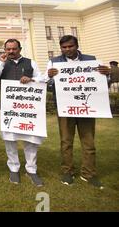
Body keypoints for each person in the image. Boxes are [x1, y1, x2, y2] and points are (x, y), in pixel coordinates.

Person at [47, 35, 110, 189]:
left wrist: (106, 74)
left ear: (77, 46)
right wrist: (50, 78)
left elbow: (103, 83)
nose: (67, 50)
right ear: (61, 48)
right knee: (66, 142)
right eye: (64, 47)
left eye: (70, 46)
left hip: (86, 107)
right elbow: (48, 86)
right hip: (65, 108)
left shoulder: (92, 60)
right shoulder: (54, 62)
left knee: (88, 142)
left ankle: (88, 173)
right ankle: (67, 172)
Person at [0, 39, 45, 187]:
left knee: (31, 139)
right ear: (5, 50)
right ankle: (13, 168)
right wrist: (1, 63)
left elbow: (42, 78)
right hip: (9, 109)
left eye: (14, 49)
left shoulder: (30, 62)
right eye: (8, 49)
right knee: (10, 139)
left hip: (28, 108)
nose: (11, 52)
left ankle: (31, 169)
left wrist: (31, 79)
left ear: (19, 48)